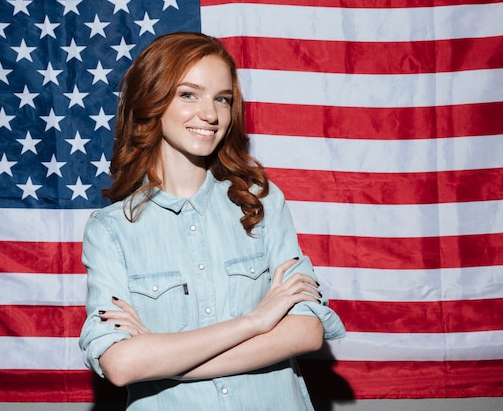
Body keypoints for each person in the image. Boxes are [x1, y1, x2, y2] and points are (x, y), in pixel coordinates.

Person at [79, 32, 345, 410]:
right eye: (189, 94)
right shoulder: (110, 229)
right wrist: (255, 321)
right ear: (151, 100)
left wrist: (163, 359)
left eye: (222, 98)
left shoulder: (261, 202)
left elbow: (306, 331)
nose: (211, 114)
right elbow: (121, 364)